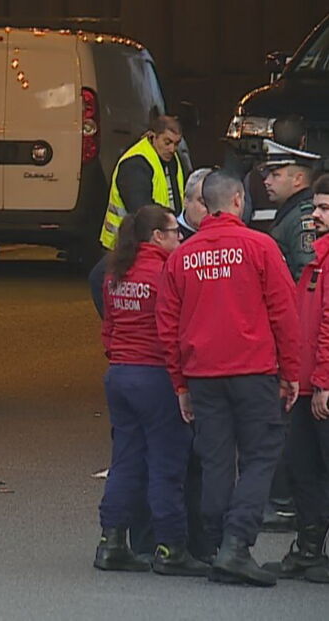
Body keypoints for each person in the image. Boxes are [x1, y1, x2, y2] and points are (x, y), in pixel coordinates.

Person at [156, 169, 301, 587]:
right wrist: (290, 372)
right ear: (238, 201)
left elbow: (168, 324)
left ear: (205, 203)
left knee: (216, 459)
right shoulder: (261, 247)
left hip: (203, 375)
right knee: (260, 456)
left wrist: (180, 383)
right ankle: (237, 545)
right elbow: (283, 313)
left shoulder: (182, 256)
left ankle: (219, 544)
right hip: (254, 371)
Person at [93, 205, 208, 577]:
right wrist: (182, 384)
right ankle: (171, 546)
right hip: (156, 376)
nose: (180, 237)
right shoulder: (166, 272)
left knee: (125, 461)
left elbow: (109, 329)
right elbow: (174, 335)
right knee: (167, 464)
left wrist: (119, 358)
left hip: (121, 374)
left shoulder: (117, 272)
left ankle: (112, 542)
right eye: (175, 231)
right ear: (157, 237)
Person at [264, 173, 329, 584]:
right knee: (305, 470)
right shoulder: (318, 260)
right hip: (307, 387)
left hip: (321, 388)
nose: (315, 215)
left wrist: (323, 383)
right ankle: (308, 550)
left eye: (325, 208)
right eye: (316, 206)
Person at [88, 115, 186, 317]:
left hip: (160, 238)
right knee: (100, 279)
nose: (171, 149)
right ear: (152, 136)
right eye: (166, 142)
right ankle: (117, 323)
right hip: (129, 241)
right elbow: (140, 208)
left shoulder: (172, 160)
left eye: (176, 144)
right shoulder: (135, 164)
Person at [262, 137, 321, 281]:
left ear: (298, 179)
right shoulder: (290, 212)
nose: (267, 181)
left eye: (275, 175)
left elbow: (307, 272)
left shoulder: (303, 218)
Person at [242, 114, 308, 224]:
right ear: (303, 141)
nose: (267, 181)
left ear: (272, 138)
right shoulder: (313, 178)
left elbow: (243, 219)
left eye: (276, 175)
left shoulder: (252, 178)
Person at [177, 168, 213, 240]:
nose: (210, 210)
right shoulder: (171, 236)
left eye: (214, 203)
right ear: (186, 200)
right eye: (203, 203)